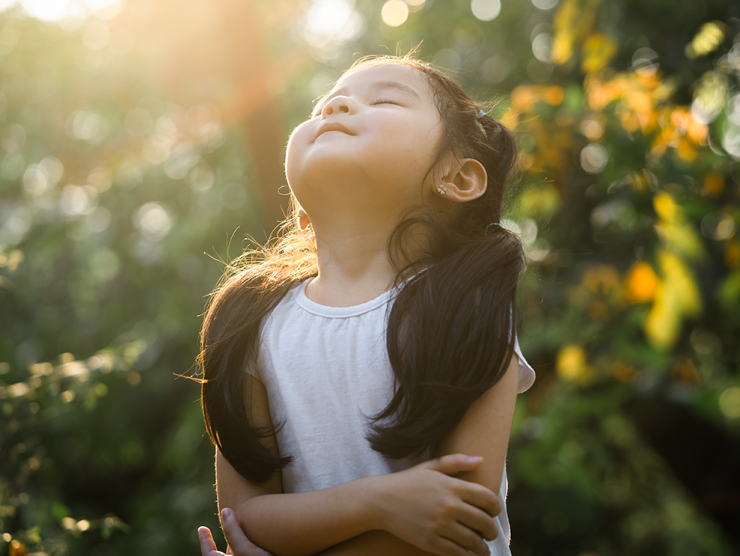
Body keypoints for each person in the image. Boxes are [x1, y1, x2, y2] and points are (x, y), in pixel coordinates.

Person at [197, 54, 535, 556]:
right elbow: (245, 517)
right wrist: (380, 502)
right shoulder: (247, 322)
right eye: (324, 106)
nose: (336, 105)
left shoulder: (470, 310)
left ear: (458, 178)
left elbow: (459, 523)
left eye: (385, 99)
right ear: (301, 211)